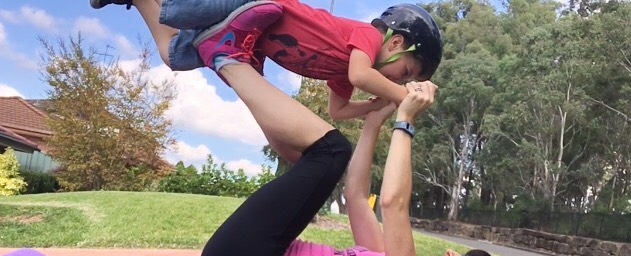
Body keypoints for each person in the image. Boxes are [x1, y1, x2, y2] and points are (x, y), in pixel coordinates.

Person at [176, 55, 531, 256]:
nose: (454, 253)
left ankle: (225, 59)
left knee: (330, 151)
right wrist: (375, 123)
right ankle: (236, 65)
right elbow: (357, 196)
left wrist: (405, 122)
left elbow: (393, 204)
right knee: (325, 154)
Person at [90, 0, 443, 120]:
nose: (398, 81)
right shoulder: (367, 37)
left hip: (250, 35)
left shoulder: (348, 74)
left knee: (175, 56)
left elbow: (337, 111)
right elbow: (362, 74)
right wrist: (403, 98)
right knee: (179, 10)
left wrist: (373, 107)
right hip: (255, 5)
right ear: (396, 41)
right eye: (405, 72)